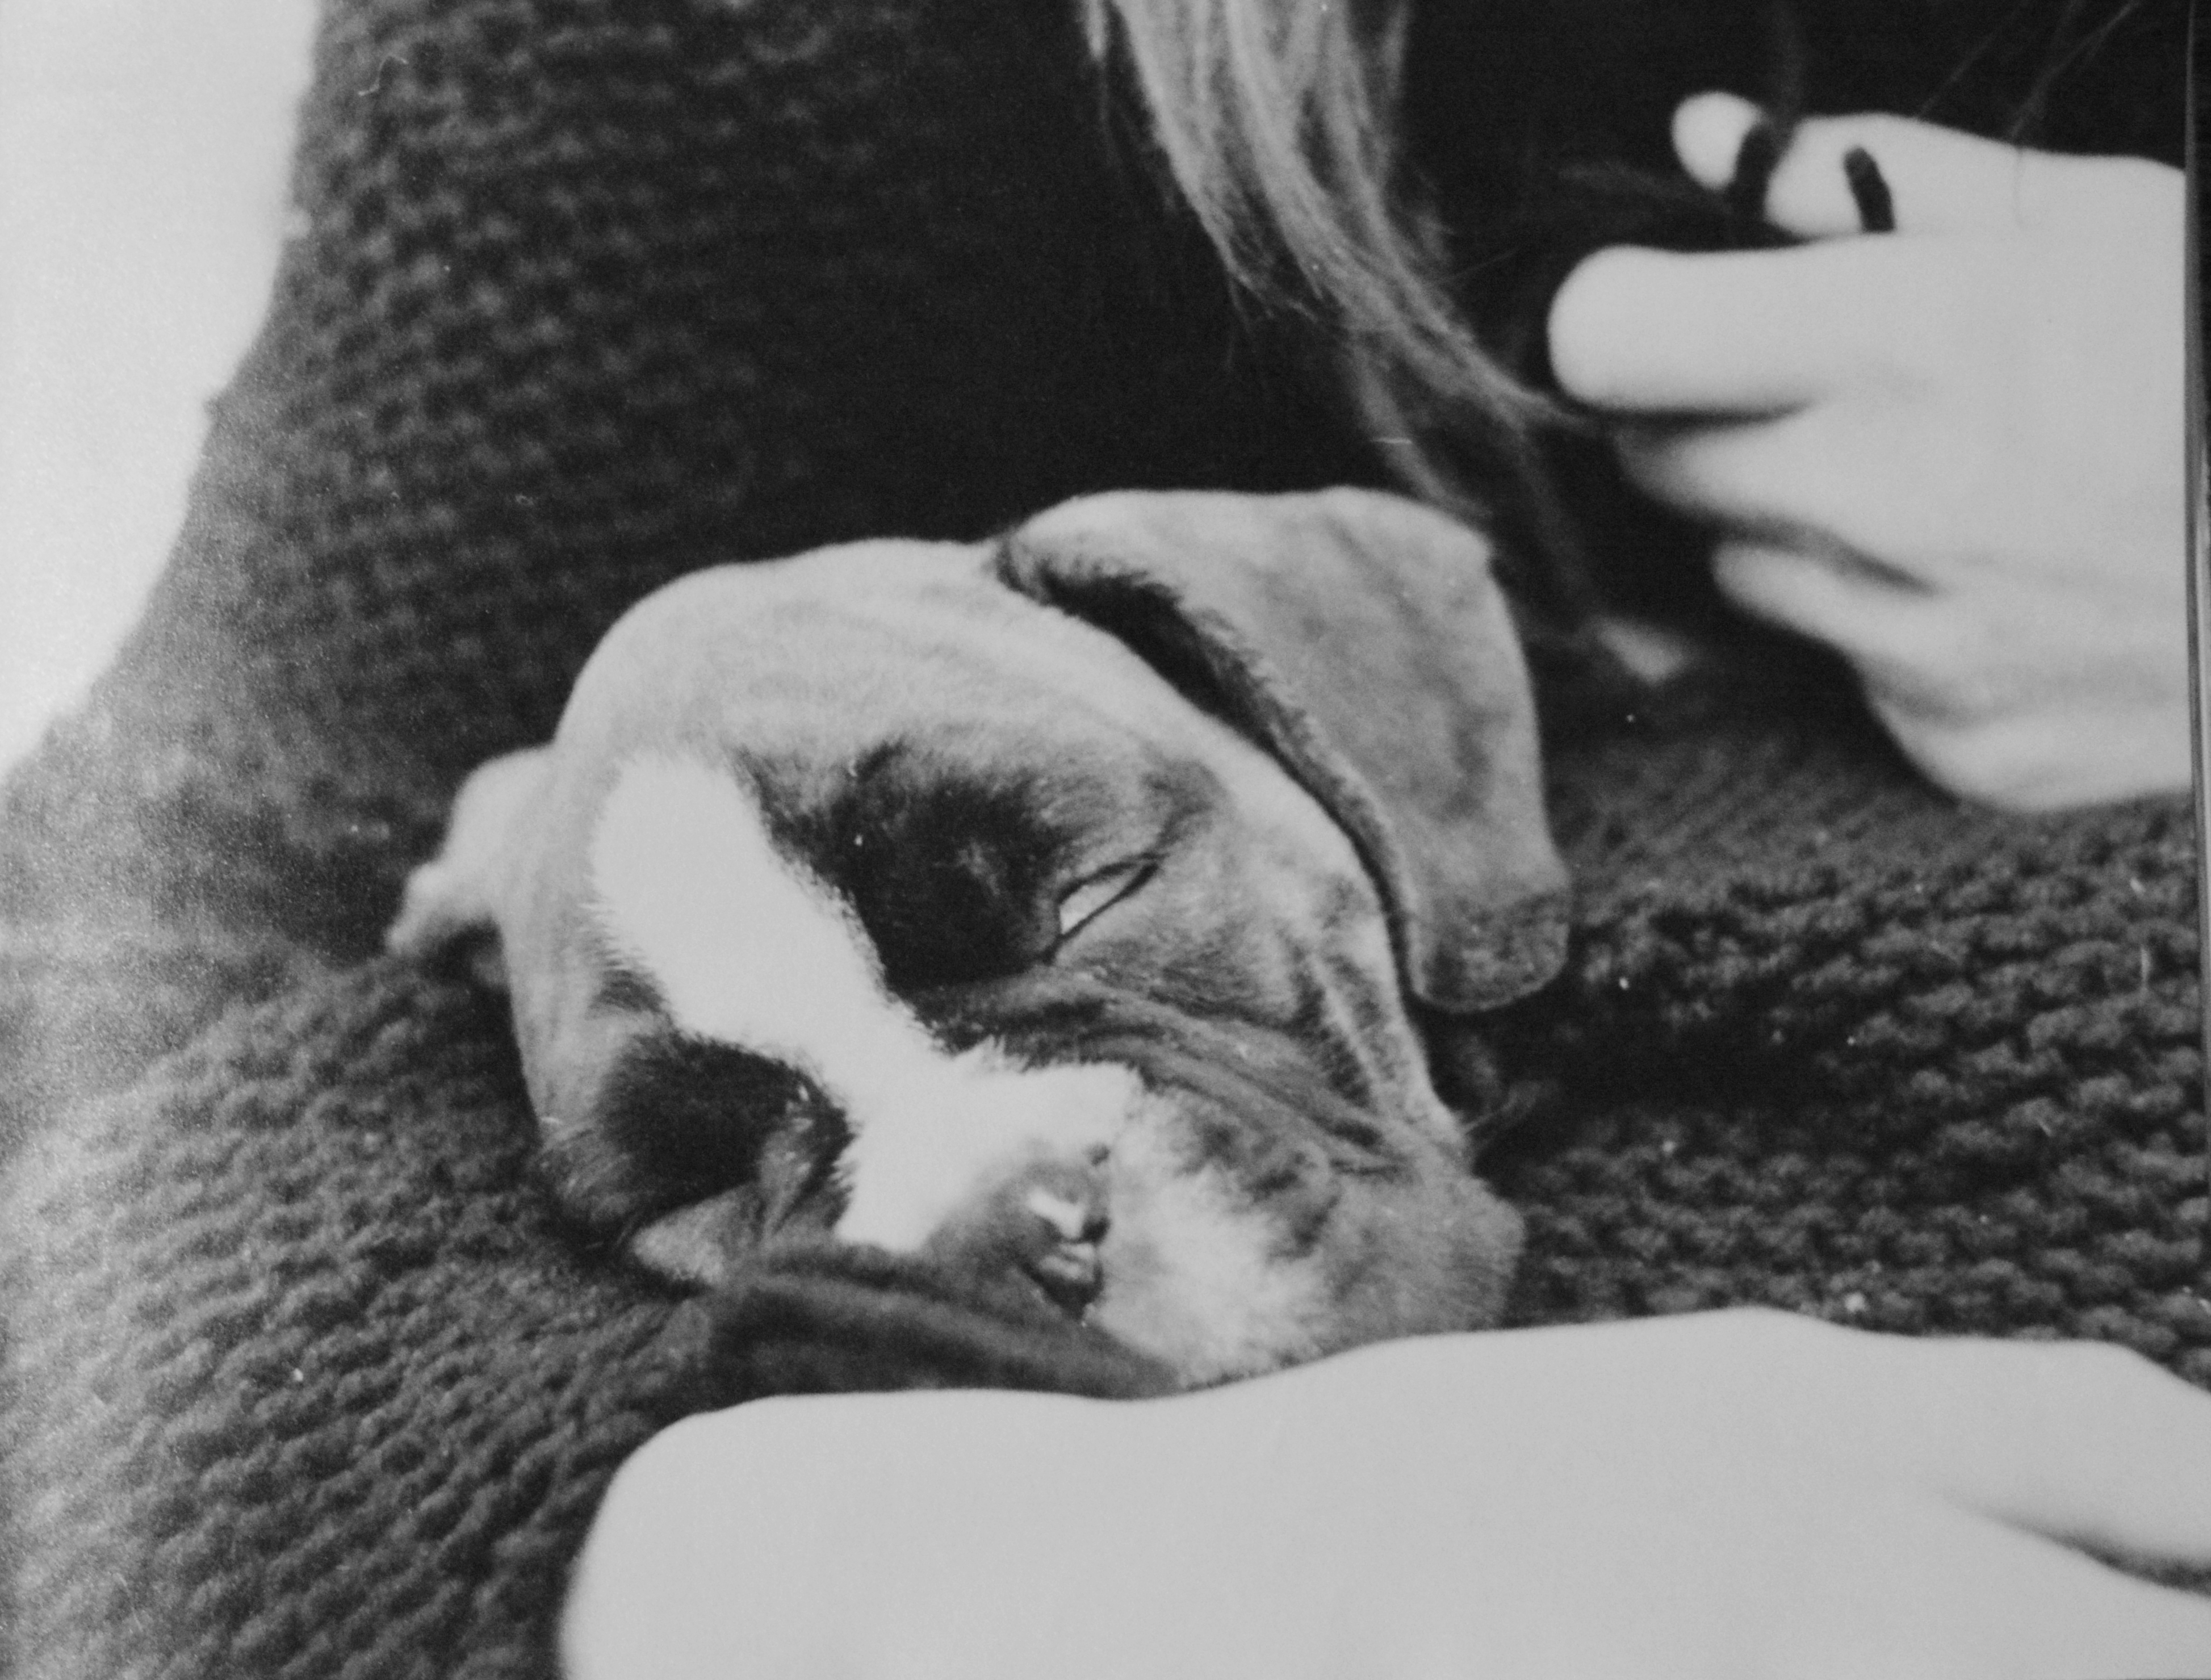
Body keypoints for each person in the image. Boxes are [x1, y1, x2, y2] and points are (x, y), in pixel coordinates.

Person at [0, 2, 2197, 1676]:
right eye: (708, 1165)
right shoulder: (733, 65)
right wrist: (821, 1570)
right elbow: (103, 1005)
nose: (998, 1206)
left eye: (1070, 903)